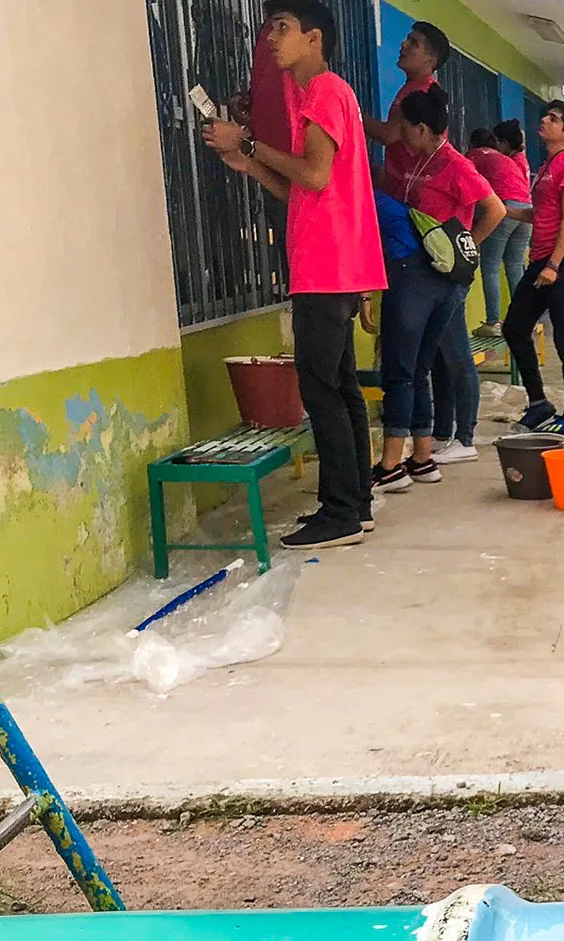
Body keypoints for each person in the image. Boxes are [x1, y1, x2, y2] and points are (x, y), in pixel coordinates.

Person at [205, 1, 384, 550]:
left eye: (281, 28)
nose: (271, 38)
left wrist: (249, 142)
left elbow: (313, 171)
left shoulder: (326, 92)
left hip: (327, 265)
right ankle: (356, 503)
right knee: (341, 386)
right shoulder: (324, 96)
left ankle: (340, 514)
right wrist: (250, 164)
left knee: (321, 389)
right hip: (333, 260)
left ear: (313, 37)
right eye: (269, 29)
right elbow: (302, 191)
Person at [374, 87, 505, 484]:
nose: (399, 135)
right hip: (414, 269)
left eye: (404, 128)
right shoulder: (418, 161)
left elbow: (494, 209)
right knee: (418, 368)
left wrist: (464, 248)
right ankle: (423, 457)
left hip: (431, 275)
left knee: (406, 367)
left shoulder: (455, 165)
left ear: (423, 128)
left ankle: (391, 464)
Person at [500, 101, 564, 436]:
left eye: (554, 119)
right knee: (514, 327)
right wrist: (503, 210)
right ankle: (539, 403)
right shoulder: (548, 166)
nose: (544, 121)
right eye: (547, 116)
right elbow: (539, 215)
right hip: (543, 259)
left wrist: (553, 263)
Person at [364, 19, 449, 191]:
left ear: (429, 61)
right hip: (403, 186)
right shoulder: (413, 87)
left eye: (414, 43)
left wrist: (352, 110)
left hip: (414, 192)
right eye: (407, 39)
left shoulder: (423, 94)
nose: (404, 44)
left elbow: (389, 135)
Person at [467, 126, 533, 337]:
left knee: (491, 267)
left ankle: (493, 321)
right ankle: (522, 320)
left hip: (504, 209)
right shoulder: (509, 160)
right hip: (526, 210)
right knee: (515, 266)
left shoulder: (474, 155)